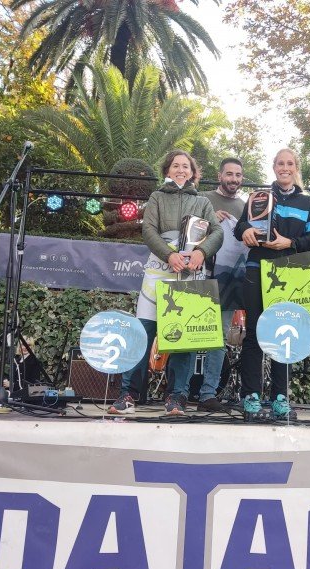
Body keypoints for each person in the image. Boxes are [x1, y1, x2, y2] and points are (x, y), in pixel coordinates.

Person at [111, 150, 223, 417]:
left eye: (186, 166)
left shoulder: (203, 202)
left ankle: (176, 397)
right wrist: (169, 255)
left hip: (190, 272)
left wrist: (201, 252)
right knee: (142, 332)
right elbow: (148, 230)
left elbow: (217, 231)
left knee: (182, 338)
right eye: (176, 166)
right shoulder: (157, 197)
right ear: (167, 171)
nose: (181, 170)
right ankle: (129, 394)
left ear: (193, 172)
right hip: (159, 269)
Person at [234, 148, 310, 420]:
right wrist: (246, 230)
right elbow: (239, 228)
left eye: (290, 163)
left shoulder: (307, 203)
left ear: (296, 168)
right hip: (256, 269)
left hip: (289, 272)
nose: (285, 167)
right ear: (274, 167)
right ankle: (251, 397)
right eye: (280, 163)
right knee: (254, 334)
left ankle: (280, 398)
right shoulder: (258, 198)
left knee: (284, 335)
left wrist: (291, 243)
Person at [197, 157, 247, 413]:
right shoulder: (203, 199)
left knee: (219, 337)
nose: (234, 179)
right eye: (229, 174)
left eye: (238, 175)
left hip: (229, 282)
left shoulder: (245, 206)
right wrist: (208, 221)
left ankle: (208, 394)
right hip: (198, 276)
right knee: (190, 335)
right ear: (219, 176)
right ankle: (179, 392)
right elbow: (188, 232)